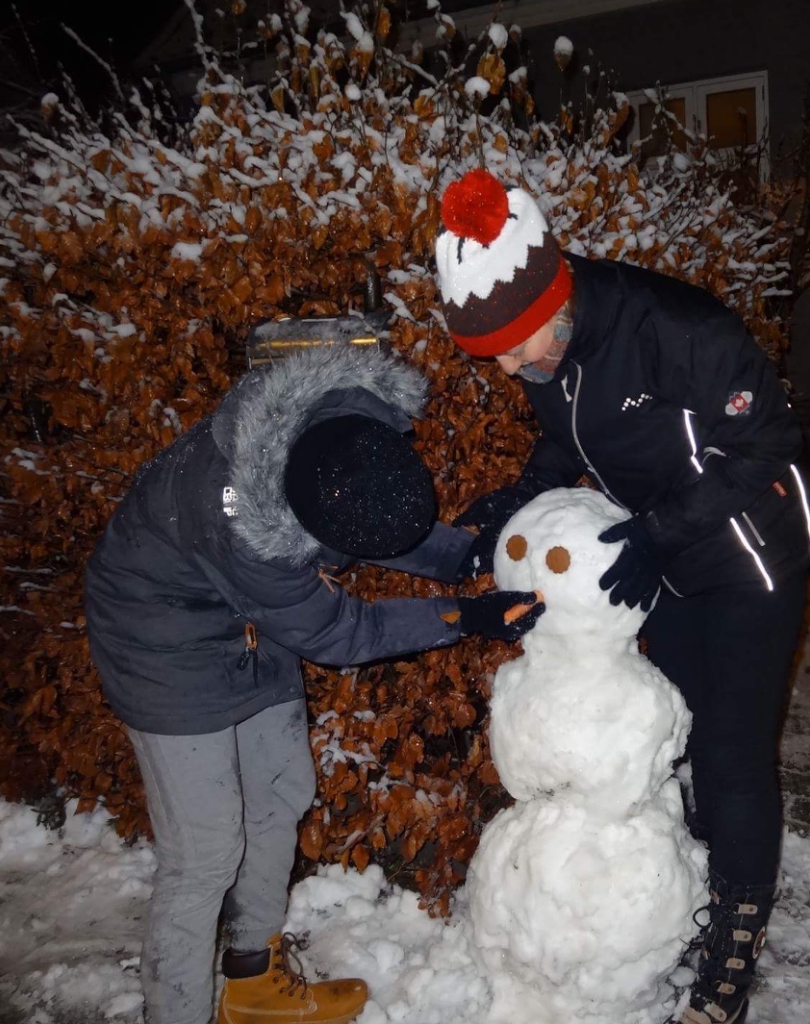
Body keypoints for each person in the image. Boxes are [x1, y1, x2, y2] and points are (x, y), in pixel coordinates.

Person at [433, 170, 810, 1024]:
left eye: (517, 348)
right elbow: (566, 443)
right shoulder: (550, 347)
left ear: (554, 301)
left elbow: (769, 441)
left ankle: (732, 958)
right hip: (669, 559)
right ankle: (696, 889)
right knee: (684, 741)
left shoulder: (672, 328)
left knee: (733, 757)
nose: (508, 368)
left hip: (749, 556)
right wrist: (513, 498)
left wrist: (654, 531)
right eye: (492, 354)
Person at [84, 343, 540, 1024]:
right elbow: (340, 632)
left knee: (280, 795)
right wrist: (464, 615)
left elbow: (363, 512)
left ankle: (253, 981)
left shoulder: (342, 430)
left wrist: (465, 555)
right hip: (160, 645)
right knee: (206, 852)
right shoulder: (240, 519)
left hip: (247, 622)